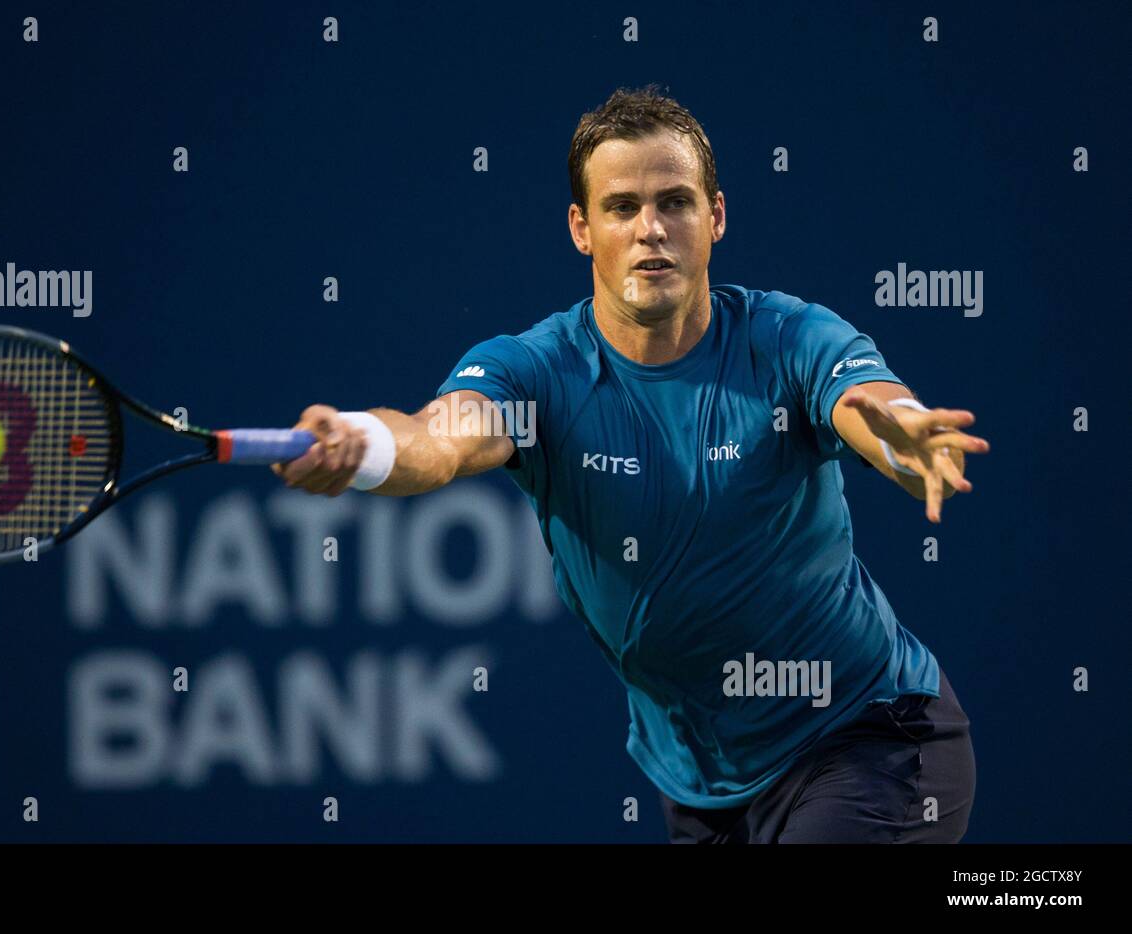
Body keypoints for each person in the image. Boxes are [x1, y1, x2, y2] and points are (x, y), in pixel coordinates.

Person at [272, 85, 989, 843]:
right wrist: (364, 444)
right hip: (702, 789)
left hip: (870, 740)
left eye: (675, 202)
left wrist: (905, 442)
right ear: (582, 229)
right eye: (621, 208)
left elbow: (872, 408)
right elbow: (439, 440)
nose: (651, 230)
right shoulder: (533, 372)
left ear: (715, 216)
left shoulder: (789, 338)